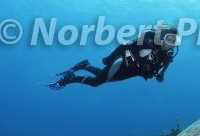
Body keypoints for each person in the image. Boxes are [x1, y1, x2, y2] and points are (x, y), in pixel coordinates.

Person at [46, 25, 178, 89]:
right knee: (96, 82)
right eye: (169, 39)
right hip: (122, 62)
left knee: (104, 77)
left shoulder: (167, 55)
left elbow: (163, 70)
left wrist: (161, 76)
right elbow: (125, 44)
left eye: (174, 41)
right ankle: (71, 78)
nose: (171, 43)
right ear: (161, 37)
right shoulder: (147, 41)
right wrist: (110, 58)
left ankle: (85, 65)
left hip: (133, 72)